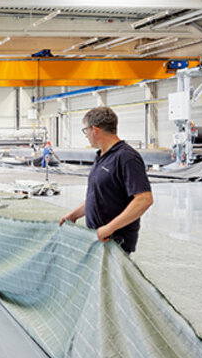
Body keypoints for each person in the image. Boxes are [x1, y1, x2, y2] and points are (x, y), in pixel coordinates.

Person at [59, 106, 153, 253]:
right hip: (100, 238)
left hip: (115, 242)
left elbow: (144, 199)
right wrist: (74, 215)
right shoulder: (101, 156)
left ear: (95, 130)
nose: (86, 135)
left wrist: (109, 228)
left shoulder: (126, 157)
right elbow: (98, 197)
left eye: (86, 130)